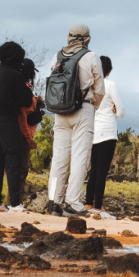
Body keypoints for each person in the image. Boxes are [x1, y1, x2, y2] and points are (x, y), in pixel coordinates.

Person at [46, 23, 105, 217]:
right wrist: (91, 106)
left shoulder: (57, 56)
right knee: (80, 158)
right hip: (83, 108)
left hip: (60, 112)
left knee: (59, 159)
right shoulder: (90, 56)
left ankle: (54, 202)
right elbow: (100, 90)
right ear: (87, 38)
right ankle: (73, 203)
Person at [0, 41, 34, 213]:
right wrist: (26, 85)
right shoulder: (15, 75)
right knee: (13, 161)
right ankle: (15, 203)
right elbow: (26, 101)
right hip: (8, 120)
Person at [85, 56, 124, 218]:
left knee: (93, 171)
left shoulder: (90, 85)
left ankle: (88, 205)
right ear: (109, 70)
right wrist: (114, 109)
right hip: (107, 133)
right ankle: (98, 207)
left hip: (92, 132)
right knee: (102, 172)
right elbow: (121, 112)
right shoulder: (110, 85)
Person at [18, 58, 44, 206]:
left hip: (24, 133)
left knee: (20, 169)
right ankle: (15, 203)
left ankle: (14, 202)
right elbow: (23, 117)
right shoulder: (24, 90)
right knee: (21, 169)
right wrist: (28, 138)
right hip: (24, 135)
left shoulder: (25, 89)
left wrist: (38, 106)